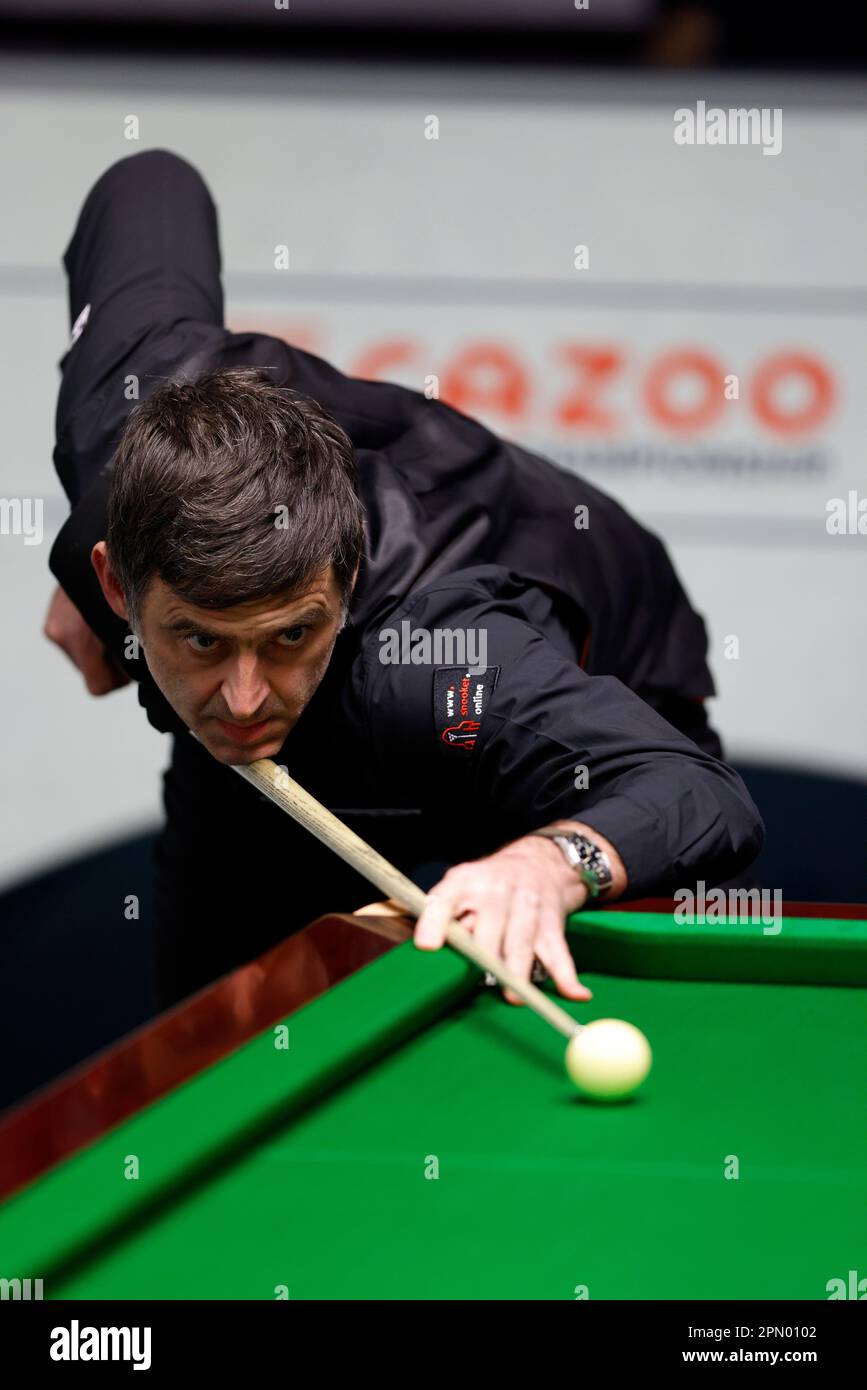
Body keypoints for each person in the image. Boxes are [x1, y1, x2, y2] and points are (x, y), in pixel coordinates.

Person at [45, 150, 763, 1008]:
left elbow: (698, 795)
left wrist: (547, 860)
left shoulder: (446, 659)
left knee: (547, 960)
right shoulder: (118, 416)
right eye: (199, 636)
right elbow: (151, 179)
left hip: (571, 676)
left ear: (343, 578)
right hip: (275, 722)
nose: (241, 700)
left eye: (288, 635)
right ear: (118, 584)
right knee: (221, 1018)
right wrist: (95, 584)